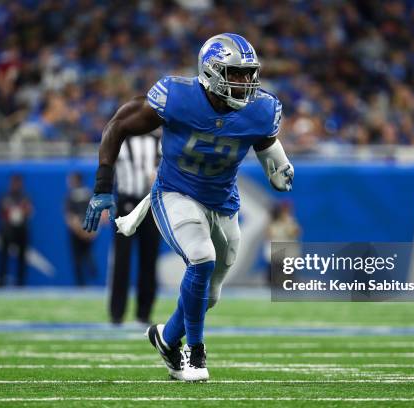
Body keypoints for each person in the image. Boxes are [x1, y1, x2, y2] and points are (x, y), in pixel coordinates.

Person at [82, 33, 293, 381]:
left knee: (208, 295)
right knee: (201, 257)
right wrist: (103, 186)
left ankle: (166, 338)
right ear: (210, 72)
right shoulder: (177, 97)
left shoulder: (262, 108)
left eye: (248, 74)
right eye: (235, 73)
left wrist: (279, 164)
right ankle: (195, 352)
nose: (245, 82)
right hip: (175, 193)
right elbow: (118, 123)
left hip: (223, 203)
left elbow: (266, 142)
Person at [109, 133, 161, 325]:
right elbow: (107, 167)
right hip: (125, 203)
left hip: (150, 204)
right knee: (121, 260)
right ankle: (117, 313)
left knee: (149, 259)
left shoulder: (158, 143)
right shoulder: (121, 140)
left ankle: (144, 312)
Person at [0, 174, 32, 287]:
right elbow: (0, 212)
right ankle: (1, 281)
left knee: (22, 257)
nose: (16, 185)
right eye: (14, 182)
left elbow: (29, 211)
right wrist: (9, 212)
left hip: (21, 229)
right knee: (3, 256)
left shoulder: (25, 197)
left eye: (18, 182)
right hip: (8, 230)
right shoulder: (6, 196)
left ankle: (20, 282)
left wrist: (23, 210)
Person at [65, 172, 97, 286]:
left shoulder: (71, 196)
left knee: (77, 258)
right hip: (88, 229)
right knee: (87, 254)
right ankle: (90, 268)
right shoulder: (89, 193)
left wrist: (79, 230)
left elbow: (70, 217)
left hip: (77, 231)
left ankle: (81, 284)